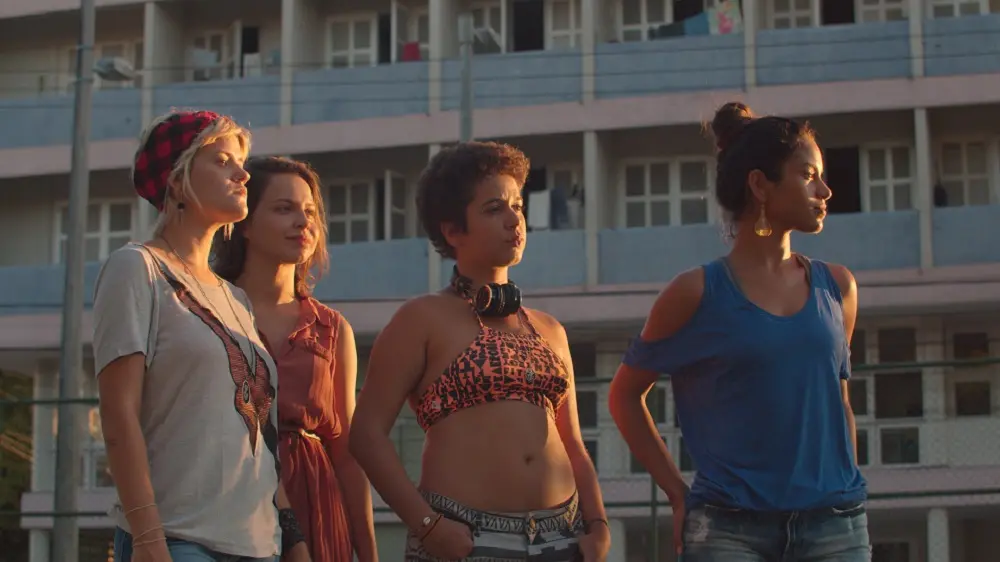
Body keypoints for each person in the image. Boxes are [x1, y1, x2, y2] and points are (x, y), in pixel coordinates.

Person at [608, 102, 870, 561]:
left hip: (835, 527)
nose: (825, 190)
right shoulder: (694, 293)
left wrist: (845, 491)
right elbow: (624, 396)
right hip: (728, 531)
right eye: (808, 175)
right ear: (760, 185)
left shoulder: (838, 287)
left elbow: (839, 400)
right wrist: (675, 491)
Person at [348, 142, 611, 562]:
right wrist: (428, 526)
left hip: (563, 537)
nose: (514, 219)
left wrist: (598, 526)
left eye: (518, 206)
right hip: (464, 539)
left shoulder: (550, 329)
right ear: (453, 231)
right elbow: (365, 435)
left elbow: (573, 442)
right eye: (494, 209)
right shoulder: (421, 319)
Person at [93, 110, 308, 562]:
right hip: (178, 539)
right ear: (177, 180)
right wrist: (148, 539)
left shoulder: (236, 299)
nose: (243, 174)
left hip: (259, 545)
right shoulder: (138, 268)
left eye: (241, 163)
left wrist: (294, 540)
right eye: (223, 161)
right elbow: (118, 414)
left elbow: (262, 438)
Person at [213, 156, 379, 562]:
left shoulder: (331, 327)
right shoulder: (210, 311)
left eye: (309, 212)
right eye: (284, 209)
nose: (303, 222)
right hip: (230, 495)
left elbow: (347, 451)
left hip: (317, 500)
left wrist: (369, 552)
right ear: (245, 222)